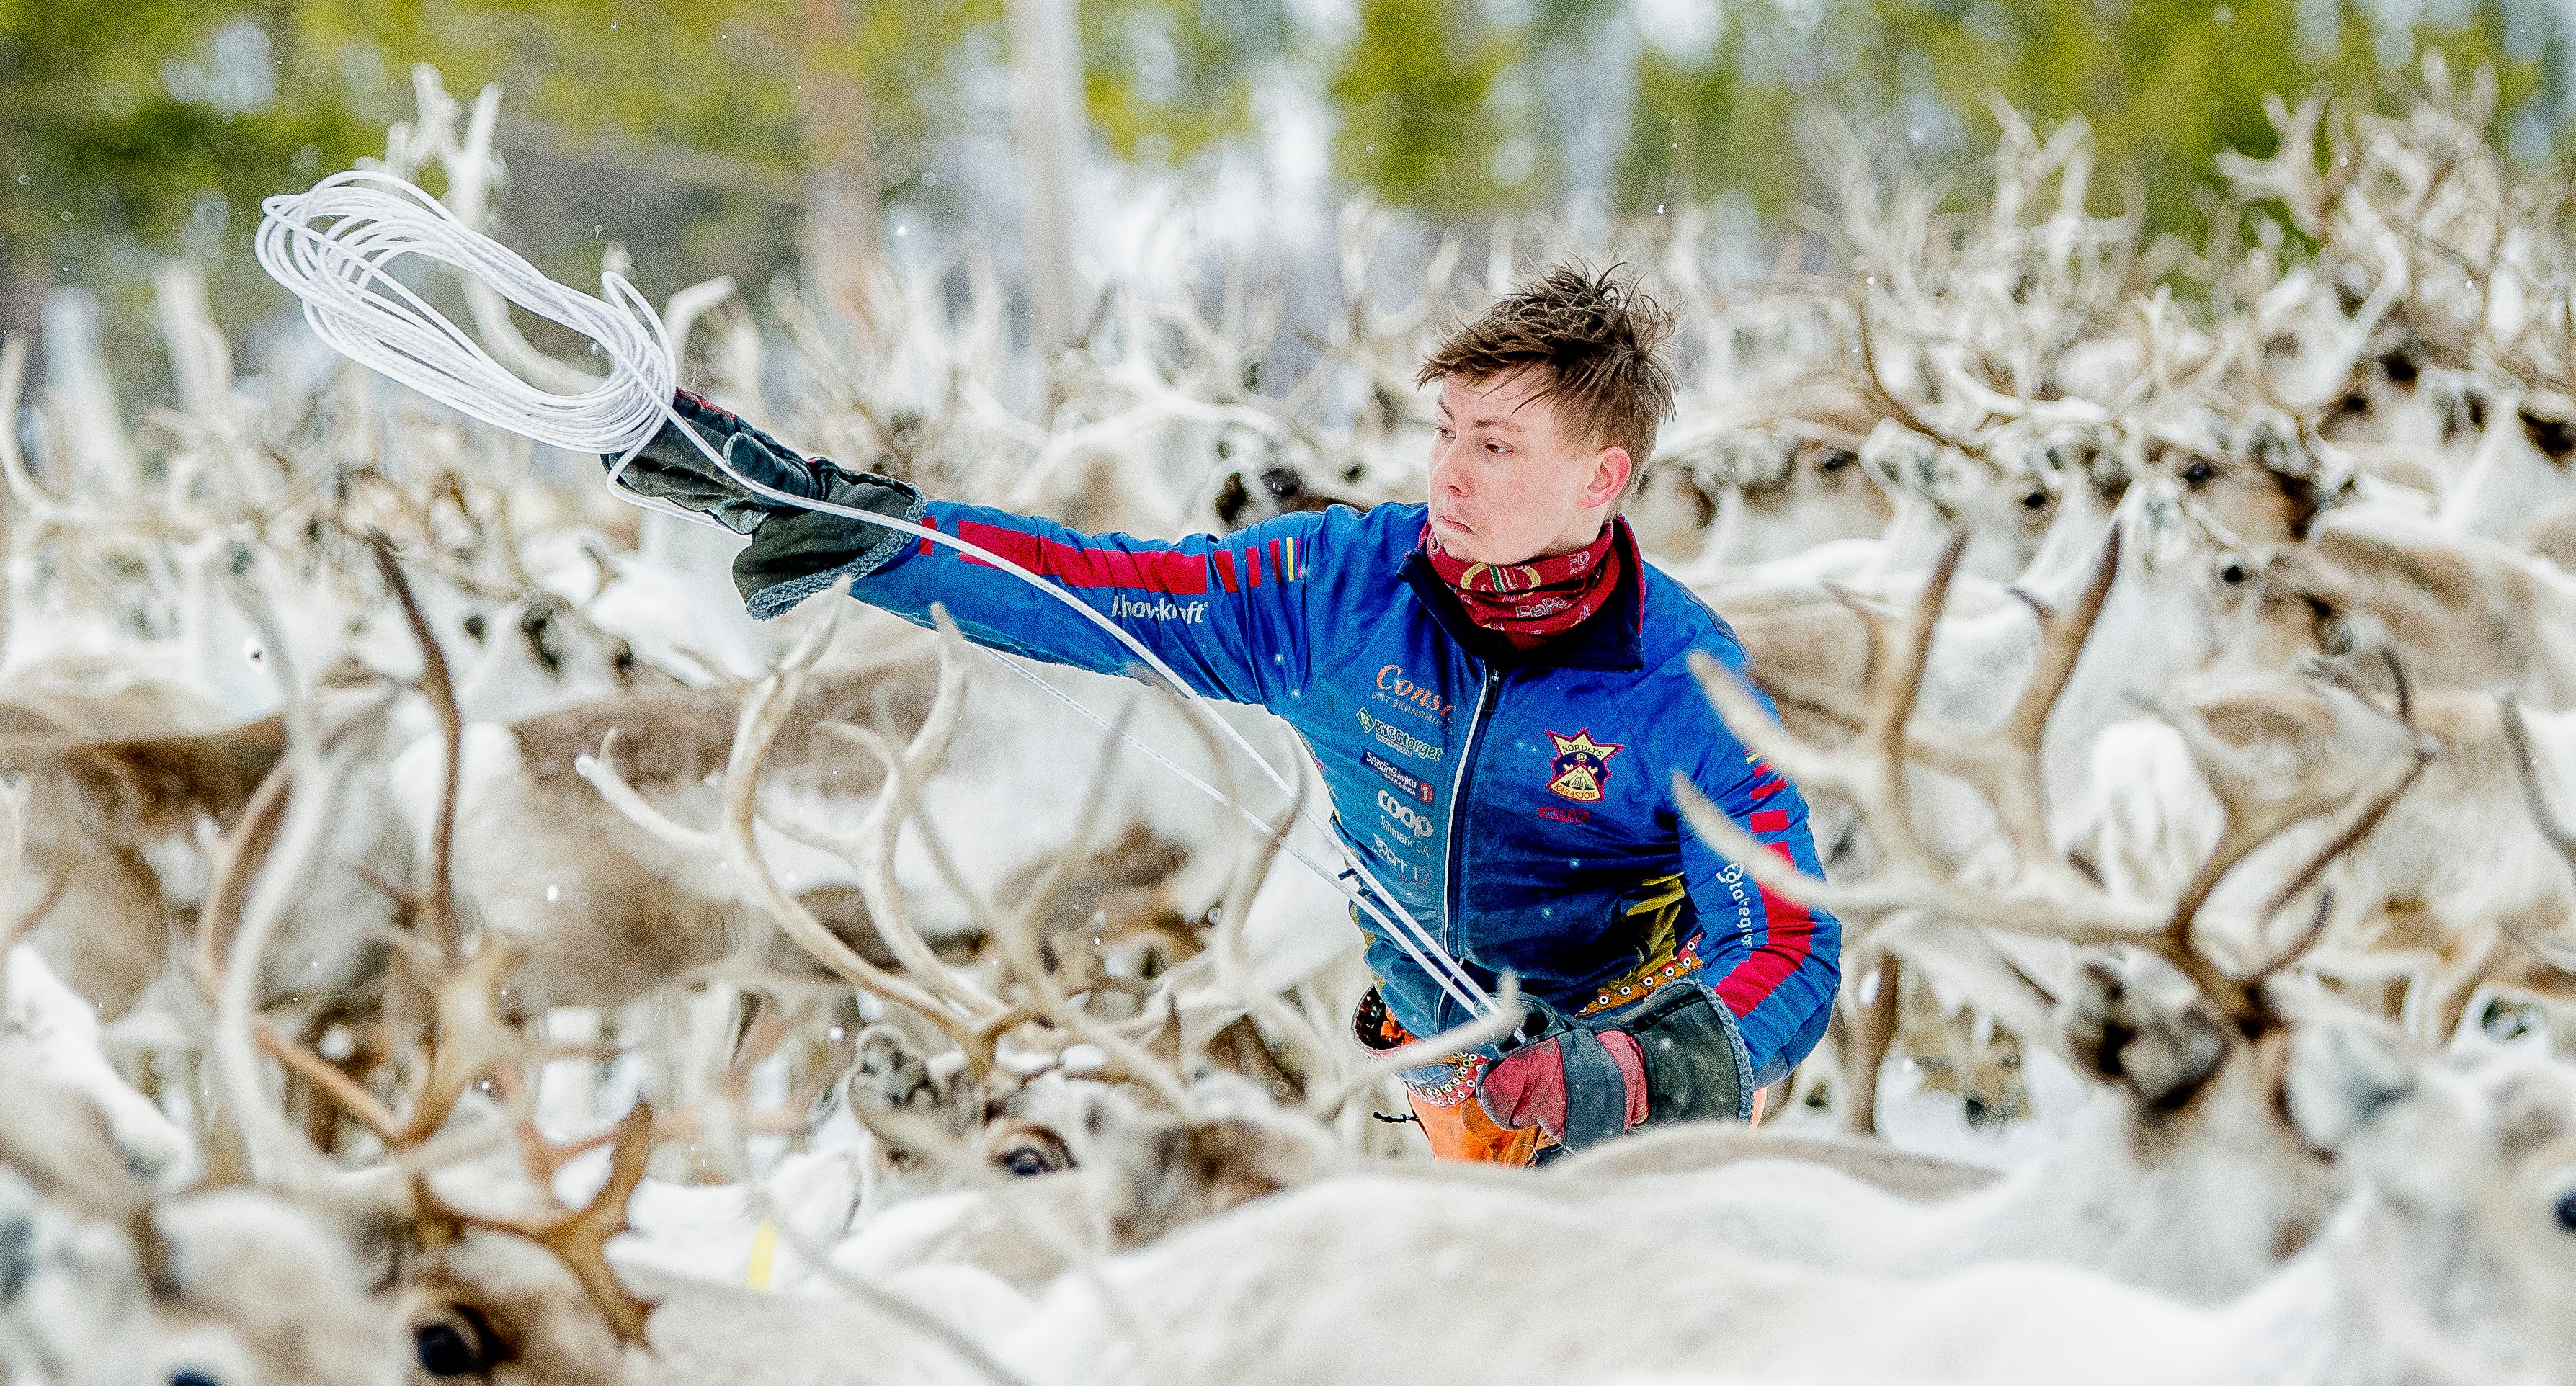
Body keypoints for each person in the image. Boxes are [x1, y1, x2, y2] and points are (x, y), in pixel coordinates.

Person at [607, 261, 1836, 1163]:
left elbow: (1789, 941)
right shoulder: (1342, 590)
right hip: (1445, 1078)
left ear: (1599, 479)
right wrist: (842, 521)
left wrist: (1623, 1069)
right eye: (1447, 432)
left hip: (1643, 1104)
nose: (1448, 474)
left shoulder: (1683, 684)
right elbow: (1095, 590)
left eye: (1499, 448)